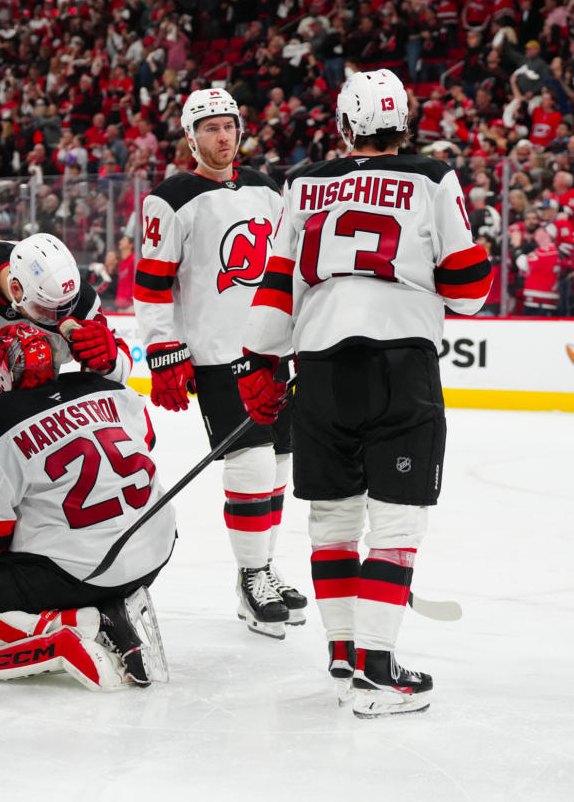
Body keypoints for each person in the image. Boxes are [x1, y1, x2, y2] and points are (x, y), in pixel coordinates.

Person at [237, 70, 492, 718]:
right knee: (397, 523)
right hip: (399, 362)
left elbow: (276, 284)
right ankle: (378, 668)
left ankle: (345, 652)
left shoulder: (304, 180)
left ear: (345, 127)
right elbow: (468, 289)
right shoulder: (431, 177)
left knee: (334, 521)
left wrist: (258, 361)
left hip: (319, 364)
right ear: (403, 124)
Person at [133, 88, 304, 641]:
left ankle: (263, 567)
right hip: (217, 355)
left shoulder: (265, 188)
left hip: (271, 349)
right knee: (250, 465)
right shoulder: (170, 198)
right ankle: (252, 576)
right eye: (209, 128)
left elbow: (285, 266)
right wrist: (163, 348)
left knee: (279, 462)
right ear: (190, 137)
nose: (222, 136)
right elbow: (153, 283)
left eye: (228, 125)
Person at [0, 324, 173, 690]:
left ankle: (75, 625)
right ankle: (107, 603)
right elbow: (148, 439)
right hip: (156, 545)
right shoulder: (112, 389)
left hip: (82, 570)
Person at [0, 233, 133, 394]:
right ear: (16, 290)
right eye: (45, 307)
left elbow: (120, 371)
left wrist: (108, 365)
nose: (56, 318)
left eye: (65, 306)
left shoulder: (82, 302)